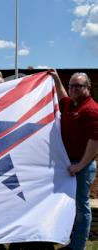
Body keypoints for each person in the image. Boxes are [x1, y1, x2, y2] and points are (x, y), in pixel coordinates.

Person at [50, 70, 98, 250]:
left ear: (88, 87)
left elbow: (94, 141)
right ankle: (71, 242)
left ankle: (78, 247)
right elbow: (62, 97)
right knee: (70, 206)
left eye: (79, 86)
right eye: (71, 85)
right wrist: (56, 78)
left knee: (81, 207)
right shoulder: (71, 104)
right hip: (69, 164)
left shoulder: (91, 110)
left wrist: (80, 165)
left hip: (81, 165)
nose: (74, 89)